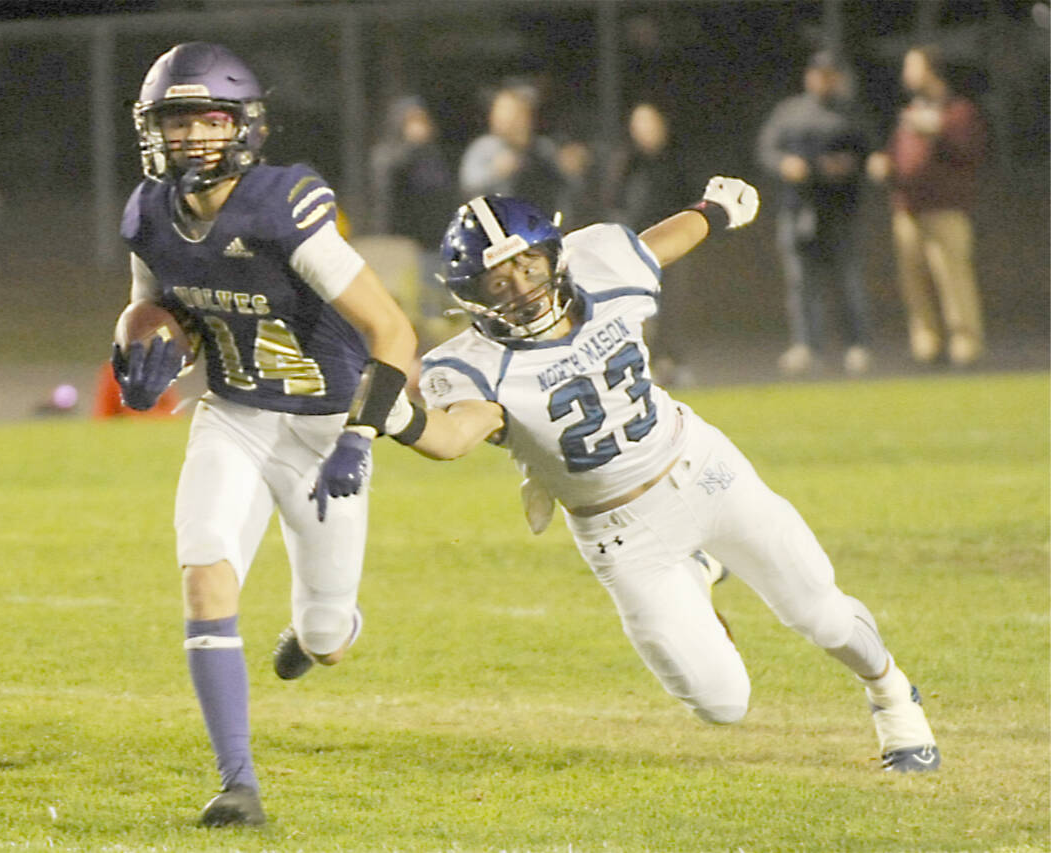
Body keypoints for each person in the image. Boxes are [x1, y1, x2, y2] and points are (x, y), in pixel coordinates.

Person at [392, 181, 941, 774]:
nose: (521, 289)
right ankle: (695, 574)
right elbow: (451, 440)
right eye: (500, 281)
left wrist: (712, 211)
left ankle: (891, 695)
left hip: (703, 470)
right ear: (473, 297)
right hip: (622, 533)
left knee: (821, 614)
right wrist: (394, 414)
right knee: (722, 704)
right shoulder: (468, 367)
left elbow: (658, 244)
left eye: (527, 265)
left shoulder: (600, 264)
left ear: (553, 254)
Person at [111, 42, 418, 827]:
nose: (188, 140)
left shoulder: (285, 205)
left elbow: (391, 328)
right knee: (205, 573)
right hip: (235, 413)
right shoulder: (149, 211)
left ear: (243, 126)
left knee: (327, 636)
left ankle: (316, 635)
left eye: (206, 120)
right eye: (174, 123)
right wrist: (138, 356)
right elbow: (152, 304)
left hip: (323, 430)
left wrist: (362, 435)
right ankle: (237, 781)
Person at [866, 45, 987, 367]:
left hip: (945, 209)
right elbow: (900, 152)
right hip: (908, 208)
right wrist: (886, 163)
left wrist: (938, 130)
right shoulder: (911, 111)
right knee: (914, 281)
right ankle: (926, 342)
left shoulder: (957, 111)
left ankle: (965, 342)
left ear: (930, 70)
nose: (907, 75)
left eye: (912, 67)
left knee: (952, 277)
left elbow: (971, 150)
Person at [756, 51, 874, 377]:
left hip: (838, 209)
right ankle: (807, 346)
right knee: (801, 284)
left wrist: (847, 166)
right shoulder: (790, 112)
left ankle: (856, 345)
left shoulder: (850, 114)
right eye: (818, 73)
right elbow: (767, 150)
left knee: (847, 281)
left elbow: (869, 155)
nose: (824, 80)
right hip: (798, 208)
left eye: (830, 74)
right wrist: (784, 165)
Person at [601, 102, 696, 386]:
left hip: (672, 246)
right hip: (635, 247)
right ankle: (644, 364)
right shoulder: (625, 161)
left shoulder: (675, 160)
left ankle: (674, 362)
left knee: (672, 307)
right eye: (640, 124)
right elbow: (612, 200)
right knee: (639, 308)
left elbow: (690, 199)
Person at [367, 95, 459, 343]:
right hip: (403, 242)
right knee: (410, 301)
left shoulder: (434, 156)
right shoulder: (390, 152)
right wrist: (410, 147)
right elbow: (389, 186)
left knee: (435, 301)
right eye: (411, 120)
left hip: (435, 238)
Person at [459, 83, 568, 219]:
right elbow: (469, 183)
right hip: (496, 222)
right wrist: (495, 171)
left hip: (538, 219)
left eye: (517, 113)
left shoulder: (542, 147)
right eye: (501, 111)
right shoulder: (485, 147)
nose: (509, 119)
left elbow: (563, 182)